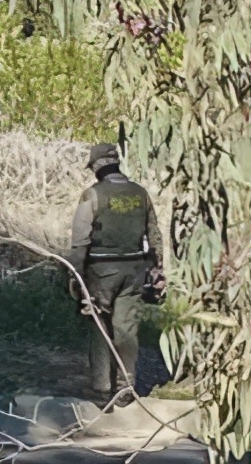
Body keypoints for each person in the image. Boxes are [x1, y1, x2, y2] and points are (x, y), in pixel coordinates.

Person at [68, 143, 164, 405]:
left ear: (97, 166)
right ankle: (126, 385)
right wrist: (157, 270)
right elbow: (154, 235)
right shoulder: (140, 194)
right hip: (134, 269)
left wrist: (75, 275)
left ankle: (101, 387)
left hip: (100, 270)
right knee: (126, 329)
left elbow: (80, 240)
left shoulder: (93, 195)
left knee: (99, 326)